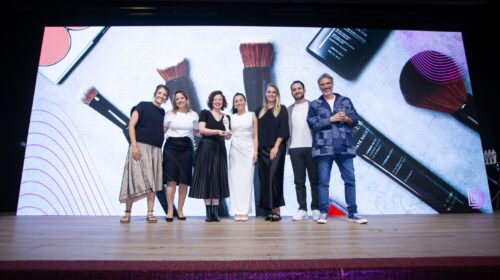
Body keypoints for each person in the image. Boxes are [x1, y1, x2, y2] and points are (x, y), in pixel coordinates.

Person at [306, 73, 367, 225]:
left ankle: (353, 213)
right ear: (319, 86)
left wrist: (346, 119)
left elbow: (355, 120)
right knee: (323, 182)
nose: (326, 86)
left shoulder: (345, 101)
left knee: (350, 180)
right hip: (323, 148)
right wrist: (330, 120)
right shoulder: (314, 104)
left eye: (328, 83)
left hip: (344, 146)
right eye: (322, 84)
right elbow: (312, 125)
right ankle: (323, 213)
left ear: (332, 84)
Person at [119, 84, 169, 223]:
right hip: (139, 147)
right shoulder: (142, 106)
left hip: (156, 150)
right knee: (132, 179)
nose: (161, 96)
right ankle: (127, 213)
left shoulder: (162, 112)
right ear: (155, 93)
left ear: (166, 98)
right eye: (159, 93)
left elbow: (160, 129)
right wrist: (134, 145)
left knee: (152, 182)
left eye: (164, 95)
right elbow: (131, 126)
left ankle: (150, 213)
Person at [189, 90, 231, 222]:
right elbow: (202, 130)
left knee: (217, 178)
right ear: (211, 101)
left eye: (220, 99)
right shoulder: (205, 113)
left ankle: (215, 213)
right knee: (206, 179)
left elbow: (227, 136)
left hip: (220, 148)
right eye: (215, 99)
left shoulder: (226, 117)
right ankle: (208, 213)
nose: (218, 101)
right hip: (206, 148)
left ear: (223, 102)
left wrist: (228, 134)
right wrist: (218, 131)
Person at [163, 90, 199, 222]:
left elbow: (196, 132)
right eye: (177, 99)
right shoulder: (169, 114)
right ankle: (170, 210)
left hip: (186, 147)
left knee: (184, 181)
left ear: (186, 99)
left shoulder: (194, 115)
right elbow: (164, 130)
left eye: (182, 98)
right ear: (174, 101)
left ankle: (180, 210)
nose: (180, 100)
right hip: (171, 147)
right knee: (171, 180)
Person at [255, 83, 289, 222]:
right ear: (265, 94)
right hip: (262, 150)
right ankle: (270, 210)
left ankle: (277, 210)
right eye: (269, 92)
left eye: (273, 92)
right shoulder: (259, 111)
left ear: (277, 94)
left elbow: (283, 129)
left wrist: (275, 147)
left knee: (274, 177)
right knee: (265, 180)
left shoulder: (281, 109)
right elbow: (255, 133)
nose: (271, 94)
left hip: (276, 148)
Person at [288, 81, 320, 221]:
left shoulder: (314, 106)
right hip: (294, 148)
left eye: (299, 88)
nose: (297, 91)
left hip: (312, 147)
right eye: (294, 89)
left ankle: (316, 209)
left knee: (315, 180)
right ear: (291, 92)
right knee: (299, 181)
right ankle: (302, 209)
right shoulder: (288, 109)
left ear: (304, 90)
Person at [228, 93, 258, 221]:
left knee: (247, 181)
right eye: (236, 101)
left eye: (241, 100)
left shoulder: (252, 116)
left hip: (248, 150)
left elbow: (255, 136)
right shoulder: (230, 117)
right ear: (234, 104)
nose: (239, 103)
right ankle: (236, 210)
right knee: (234, 181)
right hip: (234, 149)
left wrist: (255, 152)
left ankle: (245, 210)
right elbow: (228, 134)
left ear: (245, 101)